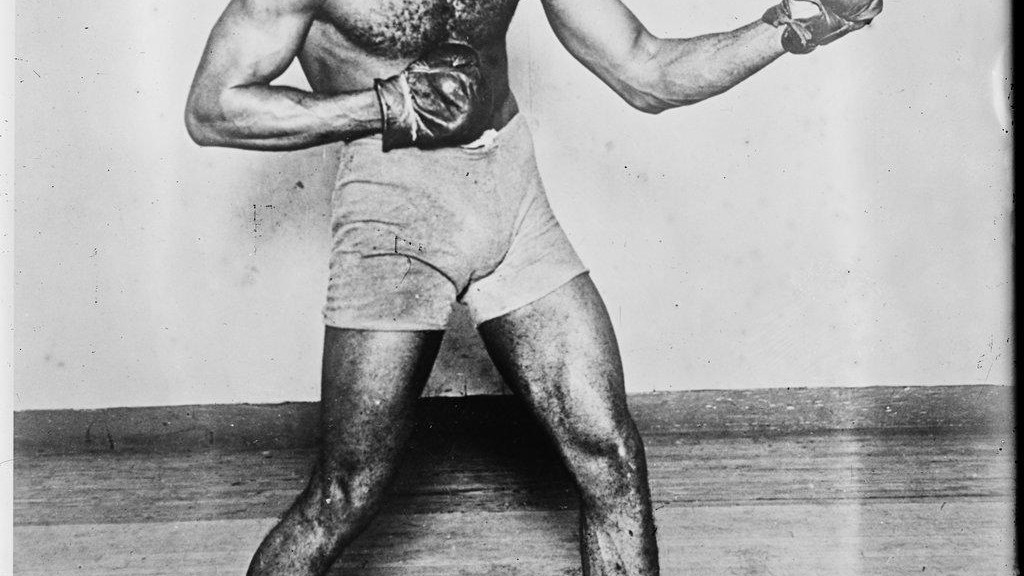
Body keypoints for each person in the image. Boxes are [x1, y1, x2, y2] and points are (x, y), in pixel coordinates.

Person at [185, 0, 882, 573]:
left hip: (510, 191)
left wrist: (797, 24)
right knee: (346, 492)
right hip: (394, 204)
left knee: (609, 457)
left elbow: (646, 69)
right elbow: (213, 109)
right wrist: (383, 106)